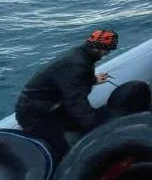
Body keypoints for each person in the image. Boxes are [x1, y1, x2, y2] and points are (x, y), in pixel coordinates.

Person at [15, 29, 119, 157]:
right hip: (34, 114)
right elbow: (76, 102)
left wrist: (92, 80)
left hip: (53, 106)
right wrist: (98, 129)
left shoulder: (80, 55)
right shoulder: (77, 64)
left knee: (85, 122)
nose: (107, 53)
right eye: (107, 50)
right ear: (98, 49)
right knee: (62, 150)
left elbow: (70, 78)